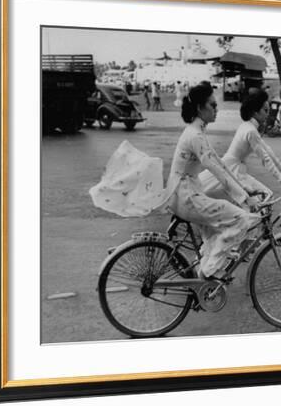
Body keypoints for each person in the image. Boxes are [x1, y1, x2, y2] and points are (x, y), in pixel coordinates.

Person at [89, 83, 260, 279]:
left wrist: (244, 188)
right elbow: (215, 169)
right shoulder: (195, 135)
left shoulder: (196, 132)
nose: (217, 109)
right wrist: (245, 199)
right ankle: (209, 271)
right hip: (188, 198)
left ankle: (208, 268)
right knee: (240, 219)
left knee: (217, 230)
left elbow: (220, 164)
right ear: (199, 108)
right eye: (212, 105)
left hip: (186, 195)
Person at [200, 88, 281, 199]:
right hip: (232, 170)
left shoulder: (248, 126)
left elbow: (266, 148)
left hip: (235, 168)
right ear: (255, 112)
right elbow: (265, 158)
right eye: (265, 111)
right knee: (262, 197)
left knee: (263, 197)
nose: (268, 114)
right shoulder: (251, 131)